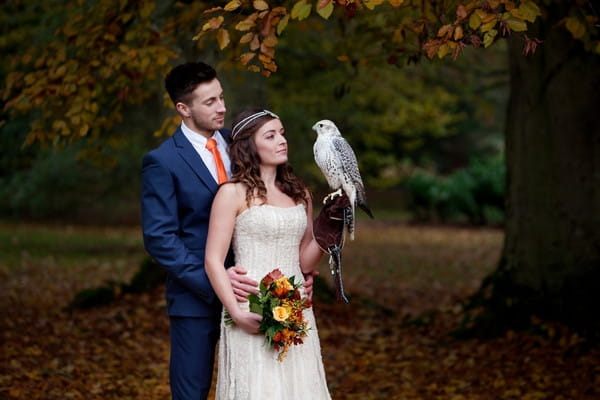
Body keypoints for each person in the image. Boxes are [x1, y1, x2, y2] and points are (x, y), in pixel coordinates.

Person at [141, 62, 317, 400]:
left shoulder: (241, 142)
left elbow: (274, 208)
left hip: (265, 293)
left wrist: (294, 272)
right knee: (191, 392)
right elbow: (160, 239)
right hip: (197, 299)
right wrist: (219, 281)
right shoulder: (162, 161)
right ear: (184, 108)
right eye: (209, 102)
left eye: (221, 97)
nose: (222, 107)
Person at [204, 109, 332, 399]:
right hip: (250, 305)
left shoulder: (300, 193)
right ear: (250, 145)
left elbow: (305, 259)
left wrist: (331, 228)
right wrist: (236, 313)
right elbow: (213, 259)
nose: (281, 140)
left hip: (297, 308)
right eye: (271, 135)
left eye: (282, 133)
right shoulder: (232, 193)